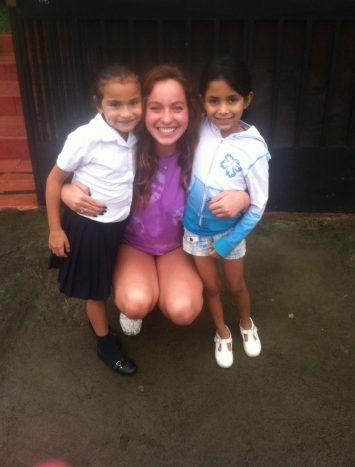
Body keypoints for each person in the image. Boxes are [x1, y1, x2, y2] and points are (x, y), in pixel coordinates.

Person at [61, 65, 249, 337]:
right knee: (136, 302)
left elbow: (248, 175)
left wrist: (243, 197)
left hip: (177, 246)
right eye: (156, 107)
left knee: (183, 310)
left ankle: (159, 288)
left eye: (177, 107)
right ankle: (134, 302)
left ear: (190, 110)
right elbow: (75, 171)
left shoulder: (204, 149)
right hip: (132, 244)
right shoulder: (124, 146)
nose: (167, 118)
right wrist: (68, 192)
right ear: (142, 110)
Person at [46, 63, 142, 375]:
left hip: (120, 225)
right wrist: (55, 229)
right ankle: (104, 342)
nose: (126, 112)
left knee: (111, 275)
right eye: (115, 104)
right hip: (90, 227)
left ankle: (113, 318)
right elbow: (53, 180)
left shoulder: (139, 133)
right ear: (98, 103)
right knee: (96, 288)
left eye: (133, 102)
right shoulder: (86, 137)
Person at [183, 56, 270, 368]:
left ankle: (246, 324)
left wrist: (229, 240)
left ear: (247, 99)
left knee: (236, 286)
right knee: (211, 288)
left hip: (230, 235)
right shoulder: (199, 127)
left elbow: (258, 204)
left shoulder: (255, 149)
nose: (222, 110)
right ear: (202, 101)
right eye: (213, 100)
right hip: (195, 234)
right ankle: (222, 332)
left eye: (232, 100)